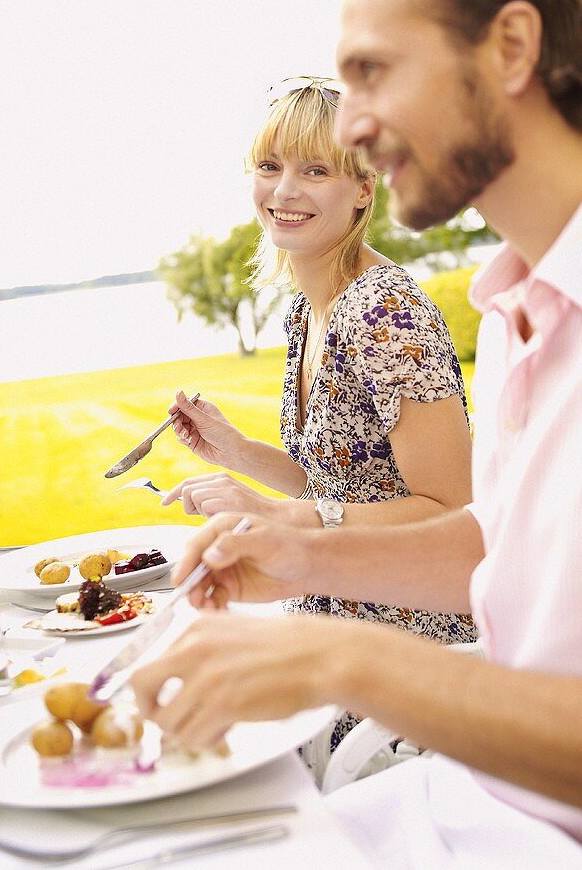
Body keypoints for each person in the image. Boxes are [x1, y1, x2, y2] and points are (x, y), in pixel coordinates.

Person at [132, 0, 582, 869]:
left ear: (510, 49)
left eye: (372, 73)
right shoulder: (527, 301)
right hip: (482, 803)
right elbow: (506, 538)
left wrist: (339, 654)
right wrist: (309, 558)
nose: (349, 128)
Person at [161, 77, 476, 768]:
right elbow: (344, 483)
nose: (285, 190)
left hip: (402, 645)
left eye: (316, 170)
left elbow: (449, 506)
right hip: (329, 620)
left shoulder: (384, 312)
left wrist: (279, 519)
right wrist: (240, 454)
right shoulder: (308, 310)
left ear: (363, 188)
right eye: (270, 167)